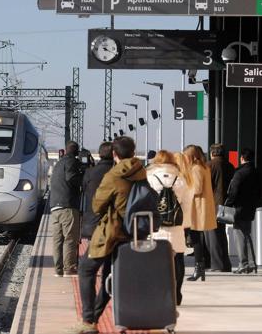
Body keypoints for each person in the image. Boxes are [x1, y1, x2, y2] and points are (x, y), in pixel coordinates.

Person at [71, 136, 144, 334]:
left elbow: (97, 205)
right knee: (108, 275)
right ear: (133, 152)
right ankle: (93, 318)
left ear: (114, 154)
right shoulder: (141, 171)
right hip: (133, 232)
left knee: (86, 269)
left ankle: (88, 320)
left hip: (111, 231)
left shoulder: (114, 176)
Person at [147, 150, 192, 305]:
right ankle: (177, 294)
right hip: (175, 226)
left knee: (155, 260)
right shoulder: (180, 179)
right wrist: (184, 224)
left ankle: (159, 292)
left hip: (156, 227)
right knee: (178, 259)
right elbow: (187, 205)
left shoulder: (150, 178)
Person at [183, 145, 217, 282]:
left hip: (196, 207)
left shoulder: (196, 169)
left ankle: (199, 268)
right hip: (201, 206)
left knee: (195, 238)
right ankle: (200, 268)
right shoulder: (204, 167)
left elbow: (197, 189)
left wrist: (184, 190)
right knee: (198, 237)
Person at [49, 141, 83, 277]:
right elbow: (72, 178)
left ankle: (58, 270)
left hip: (55, 206)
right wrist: (83, 179)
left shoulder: (58, 163)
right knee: (70, 238)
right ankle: (69, 268)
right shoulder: (72, 162)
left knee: (57, 239)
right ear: (76, 152)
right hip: (67, 206)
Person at [224, 148, 260, 275]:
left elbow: (233, 191)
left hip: (239, 208)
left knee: (239, 235)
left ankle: (243, 264)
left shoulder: (239, 173)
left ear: (242, 158)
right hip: (250, 207)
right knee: (246, 234)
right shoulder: (256, 172)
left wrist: (228, 204)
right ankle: (251, 264)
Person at [205, 143, 234, 272]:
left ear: (212, 153)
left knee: (213, 236)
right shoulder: (230, 166)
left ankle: (217, 264)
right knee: (222, 235)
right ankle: (226, 263)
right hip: (226, 204)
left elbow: (206, 186)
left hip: (212, 205)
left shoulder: (209, 166)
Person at [80, 142, 114, 240]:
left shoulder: (89, 172)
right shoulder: (117, 172)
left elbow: (84, 189)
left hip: (91, 224)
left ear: (99, 154)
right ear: (114, 154)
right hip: (112, 226)